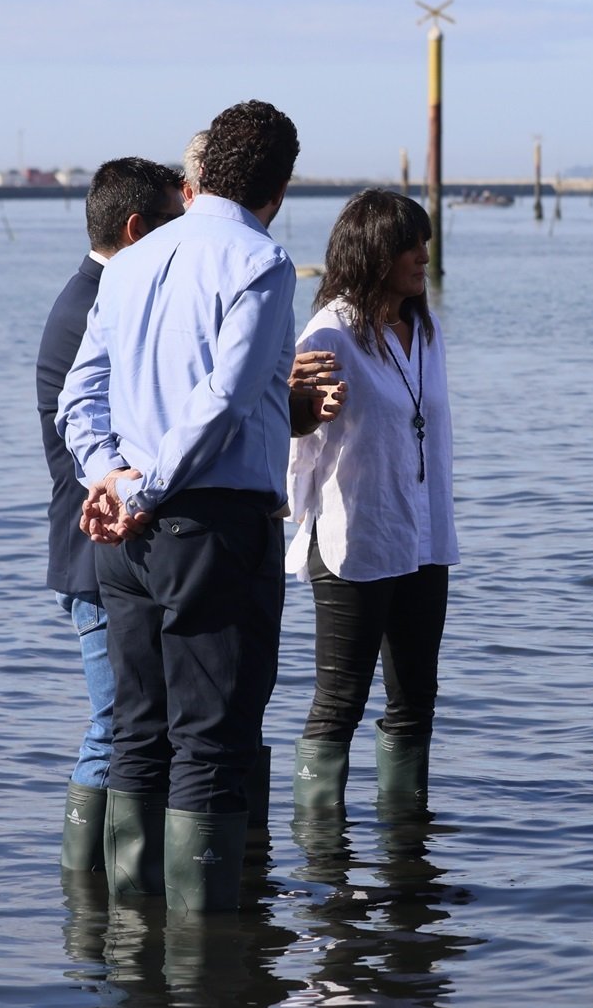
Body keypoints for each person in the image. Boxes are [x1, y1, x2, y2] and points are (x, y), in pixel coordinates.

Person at [58, 99, 303, 913]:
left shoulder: (131, 261)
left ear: (203, 173)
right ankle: (206, 969)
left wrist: (110, 478)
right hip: (212, 527)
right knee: (211, 739)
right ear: (281, 184)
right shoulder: (260, 263)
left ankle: (132, 962)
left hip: (122, 538)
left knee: (137, 729)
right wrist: (143, 485)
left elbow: (79, 396)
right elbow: (223, 401)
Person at [285, 190, 453, 816]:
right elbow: (296, 422)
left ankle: (407, 846)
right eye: (409, 243)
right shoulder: (329, 329)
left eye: (425, 241)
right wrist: (310, 408)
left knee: (415, 698)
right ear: (373, 251)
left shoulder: (423, 331)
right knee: (341, 699)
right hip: (354, 537)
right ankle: (322, 853)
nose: (423, 254)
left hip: (423, 536)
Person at [37, 157, 183, 874]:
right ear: (136, 229)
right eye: (173, 223)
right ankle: (87, 890)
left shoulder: (106, 294)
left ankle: (106, 889)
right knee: (114, 726)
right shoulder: (90, 305)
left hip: (111, 546)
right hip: (95, 551)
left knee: (128, 724)